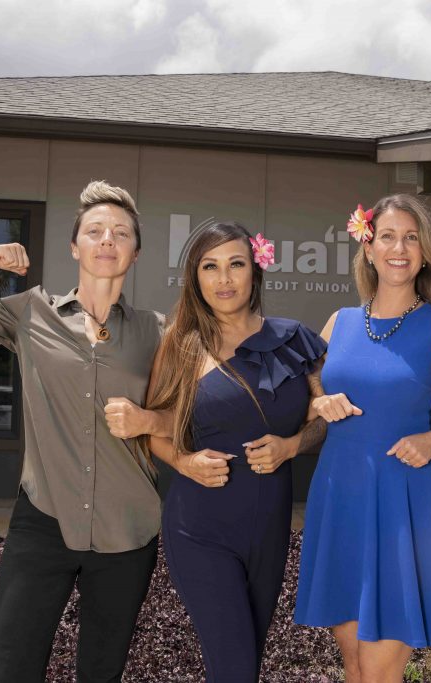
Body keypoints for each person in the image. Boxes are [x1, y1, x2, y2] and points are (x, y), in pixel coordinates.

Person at [0, 181, 170, 683]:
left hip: (128, 527)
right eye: (94, 231)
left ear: (135, 253)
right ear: (75, 247)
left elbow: (184, 415)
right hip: (43, 519)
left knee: (102, 669)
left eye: (120, 233)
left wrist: (149, 421)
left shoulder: (156, 330)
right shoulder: (31, 312)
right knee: (11, 666)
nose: (107, 240)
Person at [294, 195, 431, 682]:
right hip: (341, 500)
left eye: (411, 237)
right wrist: (318, 400)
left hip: (404, 507)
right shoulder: (340, 322)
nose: (399, 248)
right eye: (387, 237)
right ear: (368, 249)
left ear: (425, 251)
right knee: (354, 663)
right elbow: (314, 382)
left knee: (378, 670)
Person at [143, 222, 327, 683]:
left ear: (255, 272)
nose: (224, 279)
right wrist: (184, 461)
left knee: (245, 657)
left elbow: (324, 420)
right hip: (199, 528)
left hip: (269, 529)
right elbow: (153, 430)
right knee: (235, 667)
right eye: (210, 267)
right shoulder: (179, 345)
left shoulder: (295, 341)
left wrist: (290, 446)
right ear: (195, 277)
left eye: (235, 264)